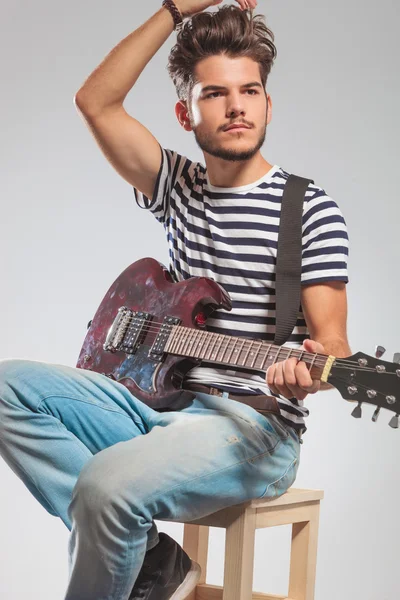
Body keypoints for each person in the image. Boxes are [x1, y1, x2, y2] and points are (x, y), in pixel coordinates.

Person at [0, 1, 352, 599]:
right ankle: (149, 560)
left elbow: (335, 343)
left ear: (268, 102)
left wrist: (306, 371)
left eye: (250, 90)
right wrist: (177, 8)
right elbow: (96, 101)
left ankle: (126, 542)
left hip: (251, 427)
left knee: (107, 488)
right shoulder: (179, 188)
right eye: (215, 93)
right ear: (185, 113)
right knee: (7, 387)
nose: (237, 106)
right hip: (157, 406)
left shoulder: (309, 211)